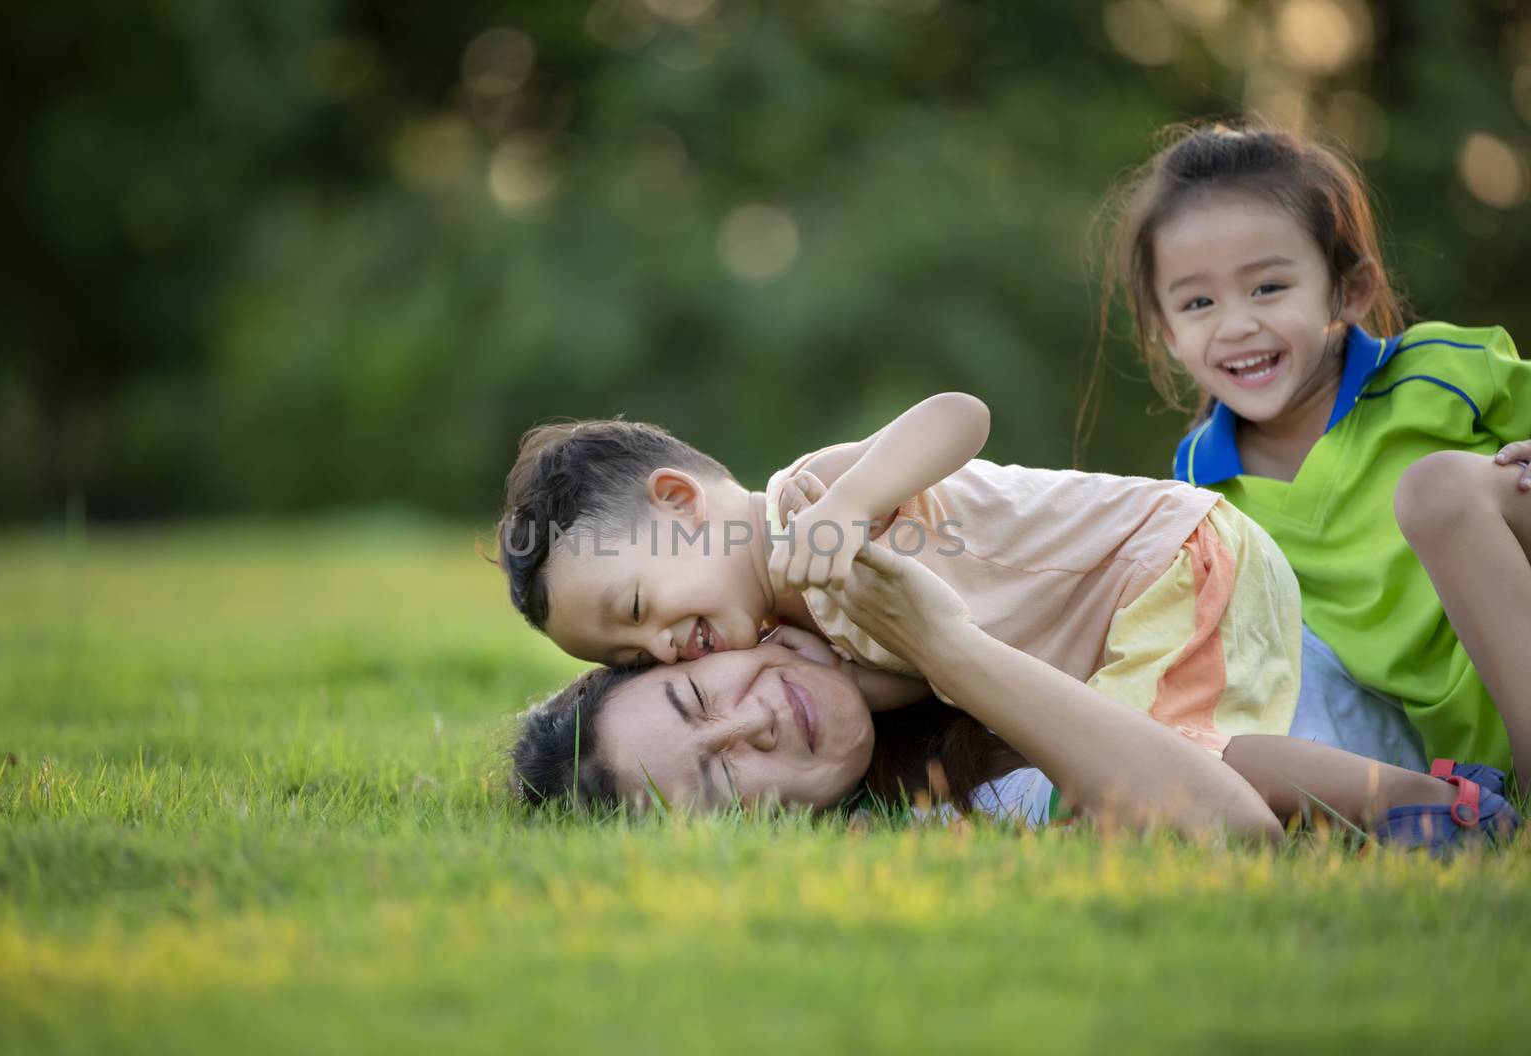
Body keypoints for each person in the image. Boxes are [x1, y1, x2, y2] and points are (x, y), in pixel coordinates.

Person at [512, 542, 1518, 851]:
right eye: (725, 778)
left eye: (700, 700)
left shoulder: (890, 557)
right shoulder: (968, 806)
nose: (754, 719)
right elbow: (1232, 822)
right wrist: (947, 652)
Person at [496, 393, 1304, 759]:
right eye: (634, 658)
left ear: (677, 502)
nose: (662, 647)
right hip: (1119, 630)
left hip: (1167, 560)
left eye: (637, 605)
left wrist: (856, 499)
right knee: (1164, 757)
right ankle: (1404, 800)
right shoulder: (799, 635)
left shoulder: (805, 502)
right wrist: (839, 672)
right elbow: (931, 675)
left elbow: (962, 414)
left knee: (1172, 766)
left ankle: (1408, 801)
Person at [1095, 121, 1531, 781]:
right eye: (1199, 302)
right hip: (1430, 760)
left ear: (1348, 291)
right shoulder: (1199, 496)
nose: (1237, 323)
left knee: (1436, 488)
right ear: (1166, 333)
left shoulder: (1442, 371)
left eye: (1268, 287)